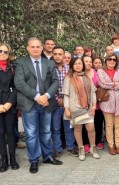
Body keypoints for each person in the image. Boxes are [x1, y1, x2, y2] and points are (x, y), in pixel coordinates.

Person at [14, 37, 62, 174]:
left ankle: (47, 156)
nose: (35, 49)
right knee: (31, 134)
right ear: (27, 48)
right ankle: (34, 160)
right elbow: (19, 83)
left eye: (38, 46)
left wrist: (46, 96)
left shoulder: (49, 63)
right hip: (29, 103)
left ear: (42, 48)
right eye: (32, 47)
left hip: (46, 102)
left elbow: (55, 82)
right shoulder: (21, 63)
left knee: (46, 131)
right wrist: (37, 96)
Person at [63, 57, 99, 161]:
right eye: (75, 64)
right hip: (75, 108)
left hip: (87, 107)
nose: (78, 65)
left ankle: (93, 148)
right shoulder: (68, 78)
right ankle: (81, 149)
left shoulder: (87, 77)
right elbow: (66, 95)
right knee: (78, 129)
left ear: (83, 65)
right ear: (72, 66)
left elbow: (93, 92)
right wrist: (66, 108)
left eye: (80, 63)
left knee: (91, 128)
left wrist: (93, 105)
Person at [51, 46, 78, 158]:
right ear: (53, 55)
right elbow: (46, 86)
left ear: (64, 56)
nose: (58, 56)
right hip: (54, 102)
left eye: (60, 54)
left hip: (68, 103)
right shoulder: (49, 68)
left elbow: (74, 85)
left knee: (69, 126)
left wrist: (65, 100)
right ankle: (57, 149)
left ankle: (70, 147)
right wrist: (58, 99)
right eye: (55, 54)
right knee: (56, 128)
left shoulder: (69, 69)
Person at [97, 55, 119, 155]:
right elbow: (102, 84)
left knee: (118, 125)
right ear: (106, 60)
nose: (112, 61)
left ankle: (117, 145)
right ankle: (110, 145)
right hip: (107, 102)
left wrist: (111, 84)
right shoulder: (101, 71)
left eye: (114, 59)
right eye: (110, 59)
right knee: (109, 125)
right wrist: (115, 83)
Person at [0, 43, 19, 172]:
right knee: (0, 133)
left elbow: (17, 87)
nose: (2, 53)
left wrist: (9, 103)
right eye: (0, 51)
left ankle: (13, 159)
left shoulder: (13, 68)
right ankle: (4, 160)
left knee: (11, 133)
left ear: (9, 54)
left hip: (10, 105)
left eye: (5, 52)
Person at [81, 56, 104, 152]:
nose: (89, 63)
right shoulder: (80, 74)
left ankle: (98, 141)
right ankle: (85, 143)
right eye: (86, 61)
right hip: (84, 103)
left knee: (98, 123)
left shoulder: (96, 73)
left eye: (90, 61)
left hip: (97, 103)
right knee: (84, 124)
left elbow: (101, 84)